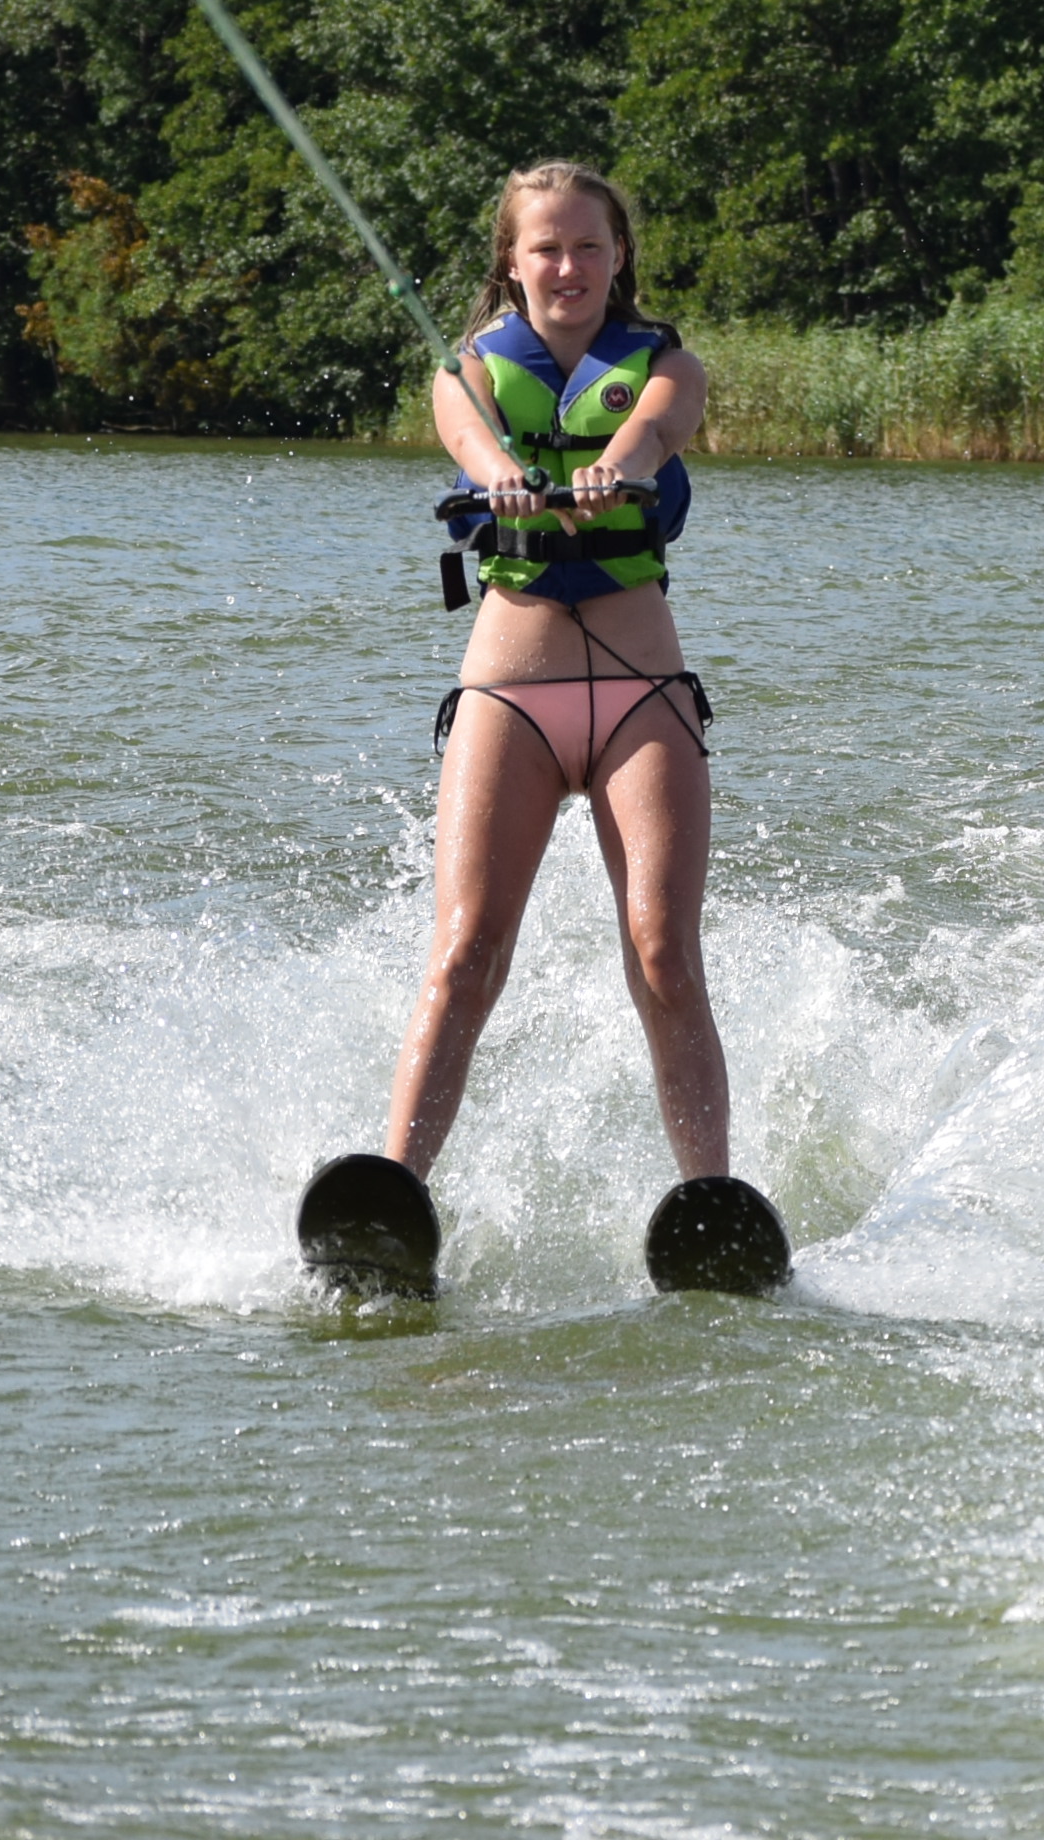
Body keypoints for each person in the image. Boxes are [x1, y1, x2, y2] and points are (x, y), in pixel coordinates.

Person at [309, 162, 772, 1293]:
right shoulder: (464, 377)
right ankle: (392, 1201)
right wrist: (510, 478)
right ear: (511, 264)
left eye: (589, 248)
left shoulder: (668, 367)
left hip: (640, 694)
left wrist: (611, 468)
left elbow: (654, 436)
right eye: (546, 249)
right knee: (466, 954)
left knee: (663, 951)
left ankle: (706, 1203)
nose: (568, 268)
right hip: (510, 694)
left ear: (620, 259)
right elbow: (470, 451)